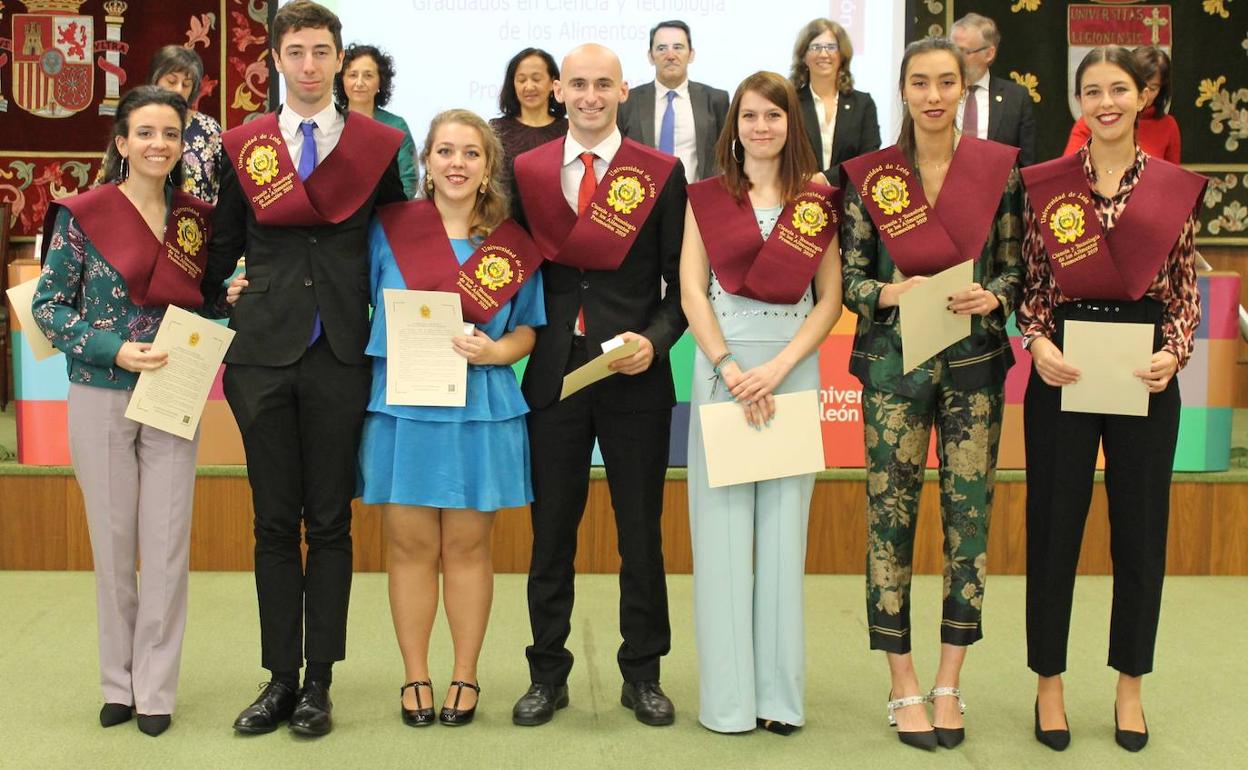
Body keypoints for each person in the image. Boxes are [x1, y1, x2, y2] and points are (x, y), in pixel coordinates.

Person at [200, 0, 406, 737]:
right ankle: (279, 678)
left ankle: (320, 682)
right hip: (262, 355)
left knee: (330, 522)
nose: (311, 65)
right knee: (271, 523)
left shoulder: (377, 147)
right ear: (277, 61)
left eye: (323, 51)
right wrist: (216, 295)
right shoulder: (244, 145)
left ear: (340, 59)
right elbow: (219, 248)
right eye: (298, 52)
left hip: (342, 353)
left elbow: (399, 241)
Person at [839, 37, 1024, 751]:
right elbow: (851, 277)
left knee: (967, 523)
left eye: (947, 81)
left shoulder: (996, 171)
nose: (935, 95)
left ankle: (950, 681)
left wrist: (993, 294)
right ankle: (902, 681)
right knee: (889, 518)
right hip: (894, 370)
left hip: (974, 367)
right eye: (921, 82)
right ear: (904, 90)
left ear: (964, 85)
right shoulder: (871, 176)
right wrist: (890, 290)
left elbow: (1015, 267)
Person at [1018, 45, 1205, 754]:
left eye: (1118, 89)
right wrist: (1038, 345)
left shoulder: (1172, 187)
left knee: (1140, 534)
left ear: (1142, 96)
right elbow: (1032, 290)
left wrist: (1174, 352)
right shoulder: (1049, 186)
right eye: (1091, 90)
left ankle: (1130, 685)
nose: (1106, 101)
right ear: (1078, 102)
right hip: (1063, 370)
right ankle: (1050, 684)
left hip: (1144, 374)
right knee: (1053, 531)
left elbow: (1185, 287)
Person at [508, 43, 688, 728]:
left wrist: (658, 339)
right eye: (577, 83)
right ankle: (546, 674)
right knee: (550, 533)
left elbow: (680, 285)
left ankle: (642, 673)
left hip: (633, 372)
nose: (589, 95)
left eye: (602, 84)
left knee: (641, 533)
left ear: (622, 92)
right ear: (558, 90)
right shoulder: (525, 170)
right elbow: (511, 267)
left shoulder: (659, 173)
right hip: (554, 372)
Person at [31, 86, 215, 737]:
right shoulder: (85, 215)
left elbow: (206, 299)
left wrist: (232, 295)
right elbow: (48, 307)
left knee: (165, 549)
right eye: (145, 132)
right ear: (121, 141)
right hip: (101, 390)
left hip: (173, 392)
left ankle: (156, 690)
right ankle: (118, 683)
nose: (158, 144)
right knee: (113, 548)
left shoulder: (195, 218)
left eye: (170, 133)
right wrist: (115, 350)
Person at [360, 109, 545, 727]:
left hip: (478, 406)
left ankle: (465, 676)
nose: (457, 163)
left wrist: (497, 350)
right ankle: (416, 675)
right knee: (409, 546)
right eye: (444, 151)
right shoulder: (387, 231)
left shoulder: (512, 244)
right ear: (427, 164)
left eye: (470, 152)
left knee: (468, 547)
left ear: (489, 166)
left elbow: (526, 332)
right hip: (405, 406)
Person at [680, 71, 842, 735]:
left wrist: (776, 367)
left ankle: (778, 699)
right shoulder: (708, 199)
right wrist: (727, 364)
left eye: (773, 115)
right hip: (723, 374)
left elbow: (829, 298)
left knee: (781, 540)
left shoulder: (818, 200)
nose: (761, 127)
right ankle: (727, 702)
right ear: (734, 125)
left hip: (790, 372)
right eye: (750, 115)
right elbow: (692, 291)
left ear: (789, 124)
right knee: (720, 540)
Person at [616, 20, 729, 182]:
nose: (670, 56)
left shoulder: (716, 100)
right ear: (650, 56)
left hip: (698, 200)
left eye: (678, 47)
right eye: (662, 48)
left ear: (691, 54)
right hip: (643, 200)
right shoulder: (627, 101)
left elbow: (728, 155)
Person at [789, 18, 880, 183]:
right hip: (799, 198)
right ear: (804, 57)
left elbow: (869, 159)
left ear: (842, 55)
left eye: (831, 47)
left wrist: (825, 178)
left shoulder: (863, 104)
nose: (824, 54)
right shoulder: (790, 103)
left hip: (849, 203)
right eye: (815, 47)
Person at [1063, 45, 1180, 163]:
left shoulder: (1168, 125)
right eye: (1093, 92)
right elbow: (1068, 170)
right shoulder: (1095, 121)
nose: (1107, 104)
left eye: (1153, 88)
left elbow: (1173, 177)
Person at [949, 13, 1036, 166]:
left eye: (964, 52)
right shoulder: (939, 95)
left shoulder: (1016, 98)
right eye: (952, 51)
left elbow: (1027, 164)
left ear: (989, 54)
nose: (955, 58)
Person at [334, 43, 419, 198]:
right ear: (342, 80)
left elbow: (409, 180)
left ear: (380, 82)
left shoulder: (396, 126)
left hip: (387, 216)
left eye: (368, 75)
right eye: (353, 75)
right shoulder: (329, 123)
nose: (359, 83)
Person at [148, 45, 224, 203]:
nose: (178, 89)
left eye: (186, 84)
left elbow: (226, 186)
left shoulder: (208, 128)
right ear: (155, 81)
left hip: (199, 223)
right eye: (171, 81)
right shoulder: (136, 122)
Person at [489, 48, 568, 197]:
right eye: (521, 80)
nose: (529, 87)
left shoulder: (570, 130)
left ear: (553, 83)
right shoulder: (496, 130)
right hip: (506, 217)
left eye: (536, 79)